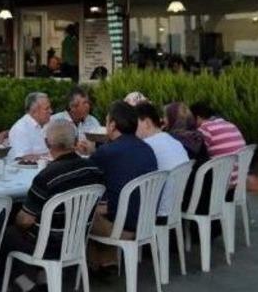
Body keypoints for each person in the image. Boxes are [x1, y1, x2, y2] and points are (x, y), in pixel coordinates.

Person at [0, 119, 104, 291]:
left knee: (3, 234)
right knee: (36, 225)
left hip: (49, 245)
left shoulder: (46, 177)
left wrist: (16, 220)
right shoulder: (93, 170)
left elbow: (25, 221)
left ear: (48, 143)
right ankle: (43, 278)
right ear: (76, 141)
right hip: (78, 240)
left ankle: (25, 284)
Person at [88, 101, 157, 270]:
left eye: (106, 121)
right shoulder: (147, 149)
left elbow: (86, 180)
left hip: (120, 227)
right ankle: (107, 260)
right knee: (105, 206)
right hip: (145, 222)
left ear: (112, 125)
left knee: (79, 211)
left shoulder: (106, 153)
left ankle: (90, 264)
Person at [135, 102, 189, 218]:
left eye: (135, 123)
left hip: (156, 213)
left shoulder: (146, 146)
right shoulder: (175, 142)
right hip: (175, 209)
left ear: (147, 123)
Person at [162, 102, 210, 210]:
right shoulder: (198, 136)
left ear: (172, 119)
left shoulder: (172, 140)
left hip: (185, 196)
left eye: (165, 116)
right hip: (205, 193)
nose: (163, 119)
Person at [190, 102, 246, 188]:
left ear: (197, 118)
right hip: (239, 179)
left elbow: (195, 154)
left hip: (221, 181)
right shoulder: (230, 125)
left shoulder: (205, 129)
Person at [0, 92, 51, 162]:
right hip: (28, 171)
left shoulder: (43, 124)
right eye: (47, 109)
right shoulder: (21, 128)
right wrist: (52, 156)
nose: (51, 111)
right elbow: (23, 158)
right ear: (34, 111)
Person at [52, 87, 101, 154]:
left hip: (88, 162)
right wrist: (74, 148)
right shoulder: (56, 120)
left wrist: (92, 149)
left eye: (88, 102)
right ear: (72, 107)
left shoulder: (93, 121)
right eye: (84, 103)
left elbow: (100, 146)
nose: (88, 106)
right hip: (65, 161)